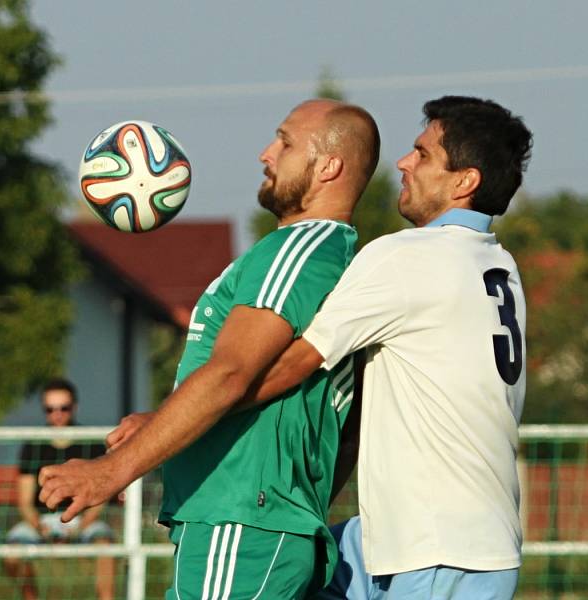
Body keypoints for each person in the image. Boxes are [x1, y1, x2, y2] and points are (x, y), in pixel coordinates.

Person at [39, 98, 381, 597]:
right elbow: (302, 402)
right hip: (250, 521)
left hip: (240, 520)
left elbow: (230, 374)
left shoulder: (300, 250)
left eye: (284, 141)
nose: (267, 153)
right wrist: (164, 421)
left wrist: (110, 471)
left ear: (329, 166)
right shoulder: (326, 257)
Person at [254, 95, 533, 600]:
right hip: (414, 542)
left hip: (439, 552)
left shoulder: (409, 256)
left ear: (463, 182)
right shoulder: (498, 265)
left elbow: (288, 365)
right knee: (289, 570)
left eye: (422, 154)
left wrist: (181, 425)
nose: (403, 163)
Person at [4, 378, 115, 600]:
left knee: (106, 546)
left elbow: (100, 498)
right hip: (42, 521)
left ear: (74, 407)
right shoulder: (33, 445)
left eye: (63, 408)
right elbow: (24, 503)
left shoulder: (91, 443)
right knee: (11, 553)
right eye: (50, 409)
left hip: (83, 520)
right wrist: (39, 528)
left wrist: (81, 526)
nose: (57, 414)